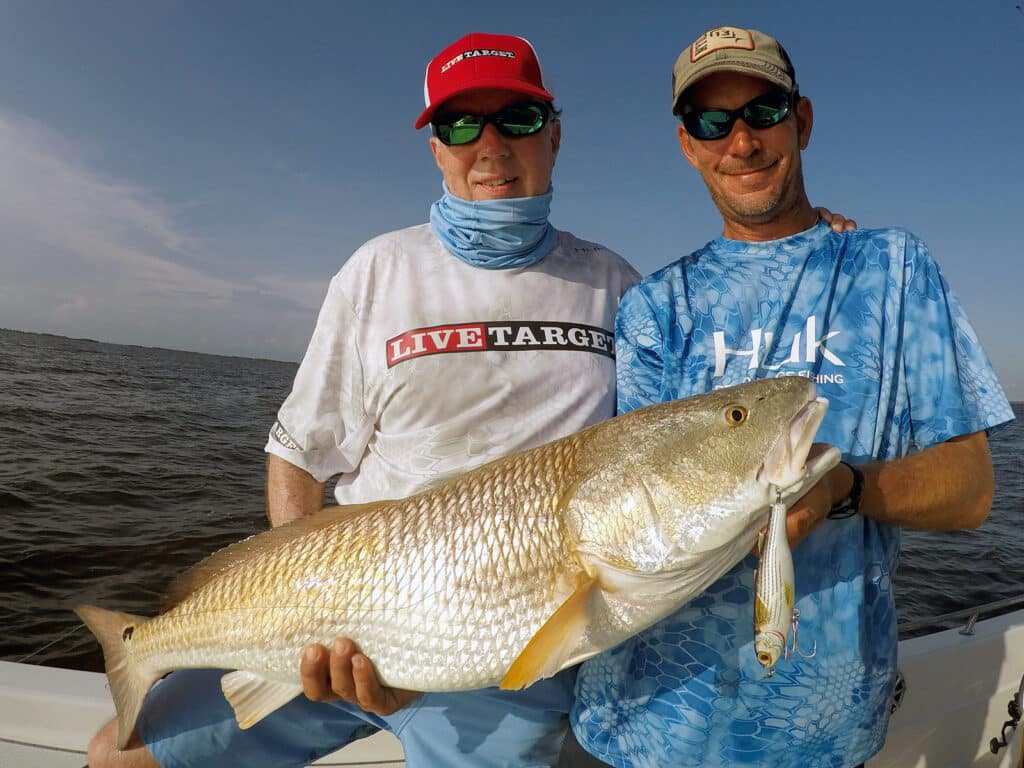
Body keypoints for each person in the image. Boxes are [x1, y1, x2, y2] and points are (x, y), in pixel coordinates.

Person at [85, 30, 851, 768]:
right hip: (336, 633)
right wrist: (311, 634)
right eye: (461, 123)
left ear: (554, 135)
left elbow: (680, 413)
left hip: (505, 659)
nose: (492, 146)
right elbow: (298, 451)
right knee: (114, 758)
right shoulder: (376, 270)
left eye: (517, 119)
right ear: (436, 149)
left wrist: (808, 245)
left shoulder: (616, 284)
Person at [563, 25, 1015, 768]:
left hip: (816, 736)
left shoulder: (891, 269)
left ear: (800, 121)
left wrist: (843, 489)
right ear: (688, 145)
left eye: (761, 112)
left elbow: (969, 493)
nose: (740, 142)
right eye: (712, 123)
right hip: (632, 725)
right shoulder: (652, 307)